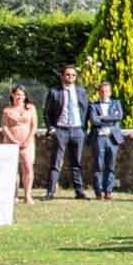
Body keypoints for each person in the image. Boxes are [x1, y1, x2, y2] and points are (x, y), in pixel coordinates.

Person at [43, 64, 90, 201]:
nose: (71, 77)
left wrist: (83, 129)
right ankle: (50, 192)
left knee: (77, 162)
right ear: (62, 76)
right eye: (68, 75)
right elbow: (47, 113)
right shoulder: (54, 92)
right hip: (61, 130)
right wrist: (51, 128)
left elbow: (85, 110)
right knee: (56, 162)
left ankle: (79, 191)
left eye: (73, 75)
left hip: (77, 130)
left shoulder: (81, 92)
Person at [86, 81, 125, 200]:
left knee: (110, 166)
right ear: (99, 92)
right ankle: (98, 192)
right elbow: (94, 121)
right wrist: (110, 119)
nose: (104, 94)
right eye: (102, 91)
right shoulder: (93, 105)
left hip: (112, 139)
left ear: (110, 92)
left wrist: (103, 118)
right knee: (98, 165)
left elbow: (119, 117)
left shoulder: (116, 103)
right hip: (98, 138)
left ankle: (108, 191)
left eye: (106, 91)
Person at [0, 87, 38, 204]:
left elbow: (34, 126)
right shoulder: (7, 110)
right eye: (17, 94)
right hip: (11, 143)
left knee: (28, 168)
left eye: (22, 95)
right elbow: (4, 126)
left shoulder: (31, 108)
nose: (19, 97)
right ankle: (13, 195)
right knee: (12, 170)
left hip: (27, 143)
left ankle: (27, 195)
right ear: (12, 95)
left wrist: (28, 140)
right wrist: (12, 140)